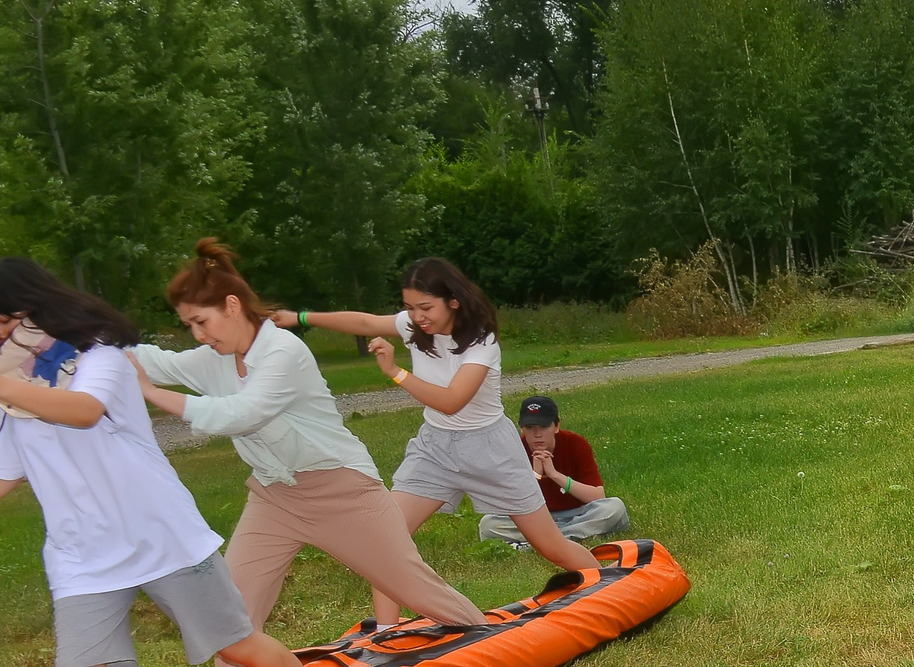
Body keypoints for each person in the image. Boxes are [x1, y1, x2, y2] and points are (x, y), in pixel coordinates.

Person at [0, 259, 308, 667]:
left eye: (0, 322)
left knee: (239, 644)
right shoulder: (13, 395)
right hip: (81, 557)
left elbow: (84, 411)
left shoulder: (100, 356)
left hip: (162, 537)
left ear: (32, 309)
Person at [131, 240, 487, 640]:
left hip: (340, 489)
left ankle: (489, 640)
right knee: (232, 611)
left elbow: (244, 413)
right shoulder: (211, 359)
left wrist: (154, 394)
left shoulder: (284, 352)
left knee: (415, 587)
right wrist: (77, 344)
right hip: (274, 495)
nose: (197, 335)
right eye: (189, 325)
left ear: (232, 306)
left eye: (202, 322)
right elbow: (147, 360)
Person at [277, 258, 599, 621]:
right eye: (411, 307)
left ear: (454, 301)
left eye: (425, 307)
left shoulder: (482, 342)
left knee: (551, 546)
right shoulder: (415, 327)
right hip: (435, 448)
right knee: (384, 538)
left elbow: (451, 401)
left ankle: (605, 588)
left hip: (490, 450)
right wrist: (299, 318)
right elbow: (365, 322)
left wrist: (395, 372)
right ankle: (386, 633)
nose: (417, 316)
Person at [479, 394, 630, 548]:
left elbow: (598, 496)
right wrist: (535, 475)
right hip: (533, 518)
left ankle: (544, 542)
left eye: (544, 427)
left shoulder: (576, 443)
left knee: (614, 508)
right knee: (488, 524)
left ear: (556, 426)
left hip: (576, 514)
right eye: (530, 428)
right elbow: (507, 502)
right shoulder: (514, 449)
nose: (537, 434)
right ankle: (566, 539)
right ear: (521, 428)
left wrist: (555, 475)